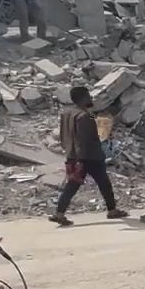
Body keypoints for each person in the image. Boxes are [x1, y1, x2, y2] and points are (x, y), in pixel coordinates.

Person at [50, 85, 126, 225]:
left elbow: (63, 135)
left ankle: (59, 213)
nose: (91, 98)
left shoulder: (67, 113)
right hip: (89, 156)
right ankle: (112, 210)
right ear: (83, 98)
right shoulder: (85, 116)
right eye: (89, 96)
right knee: (103, 182)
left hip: (73, 154)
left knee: (73, 184)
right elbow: (86, 138)